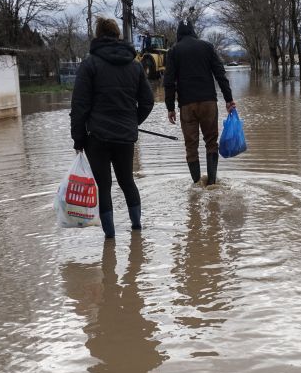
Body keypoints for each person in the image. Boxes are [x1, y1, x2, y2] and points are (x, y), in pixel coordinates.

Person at [70, 17, 154, 237]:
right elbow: (148, 101)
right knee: (127, 181)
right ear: (118, 36)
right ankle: (137, 230)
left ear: (98, 36)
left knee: (104, 186)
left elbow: (79, 105)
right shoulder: (135, 65)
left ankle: (110, 239)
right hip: (125, 137)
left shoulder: (89, 64)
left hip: (96, 137)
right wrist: (132, 122)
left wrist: (78, 138)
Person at [163, 19, 235, 185]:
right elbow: (220, 74)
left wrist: (170, 107)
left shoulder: (174, 51)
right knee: (211, 143)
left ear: (179, 34)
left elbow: (169, 82)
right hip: (209, 102)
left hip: (187, 105)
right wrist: (229, 99)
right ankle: (211, 183)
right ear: (193, 31)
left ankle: (197, 184)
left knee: (191, 147)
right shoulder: (207, 47)